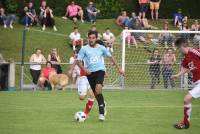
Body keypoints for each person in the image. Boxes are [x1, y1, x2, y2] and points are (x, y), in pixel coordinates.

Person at [77, 31, 124, 121]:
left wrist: (119, 69)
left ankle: (101, 113)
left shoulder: (101, 48)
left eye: (93, 38)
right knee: (96, 93)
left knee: (98, 88)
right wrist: (84, 69)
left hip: (100, 70)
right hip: (90, 73)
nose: (91, 40)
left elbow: (111, 57)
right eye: (90, 38)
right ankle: (103, 104)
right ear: (88, 38)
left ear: (96, 38)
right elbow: (78, 60)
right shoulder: (84, 49)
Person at [172, 38, 200, 129]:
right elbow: (185, 68)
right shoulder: (185, 57)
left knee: (186, 98)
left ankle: (185, 123)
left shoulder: (194, 51)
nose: (178, 50)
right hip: (196, 82)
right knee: (187, 99)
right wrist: (177, 75)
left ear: (182, 46)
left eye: (178, 48)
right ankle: (186, 122)